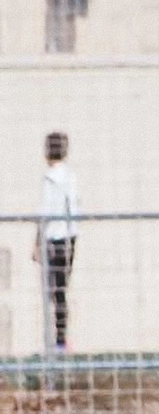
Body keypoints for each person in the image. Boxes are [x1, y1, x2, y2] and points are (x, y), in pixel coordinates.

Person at [32, 131, 78, 353]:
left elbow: (44, 214)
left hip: (53, 239)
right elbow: (74, 210)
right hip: (68, 239)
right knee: (60, 291)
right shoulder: (70, 176)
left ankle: (57, 340)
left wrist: (37, 244)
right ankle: (60, 339)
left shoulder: (50, 178)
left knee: (53, 290)